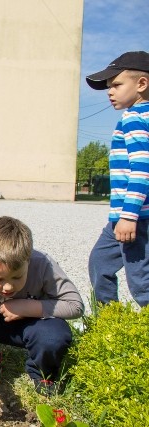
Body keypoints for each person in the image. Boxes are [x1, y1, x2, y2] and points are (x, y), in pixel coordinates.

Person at [0, 216, 85, 395]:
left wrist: (27, 307)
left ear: (28, 258)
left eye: (17, 277)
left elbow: (75, 305)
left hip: (35, 324)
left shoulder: (42, 264)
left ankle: (41, 373)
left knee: (54, 336)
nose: (8, 287)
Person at [86, 51, 149, 307]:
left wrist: (129, 216)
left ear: (142, 84)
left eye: (116, 85)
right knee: (100, 263)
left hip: (135, 218)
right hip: (120, 219)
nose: (109, 92)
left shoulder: (135, 118)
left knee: (141, 282)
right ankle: (109, 319)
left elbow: (142, 170)